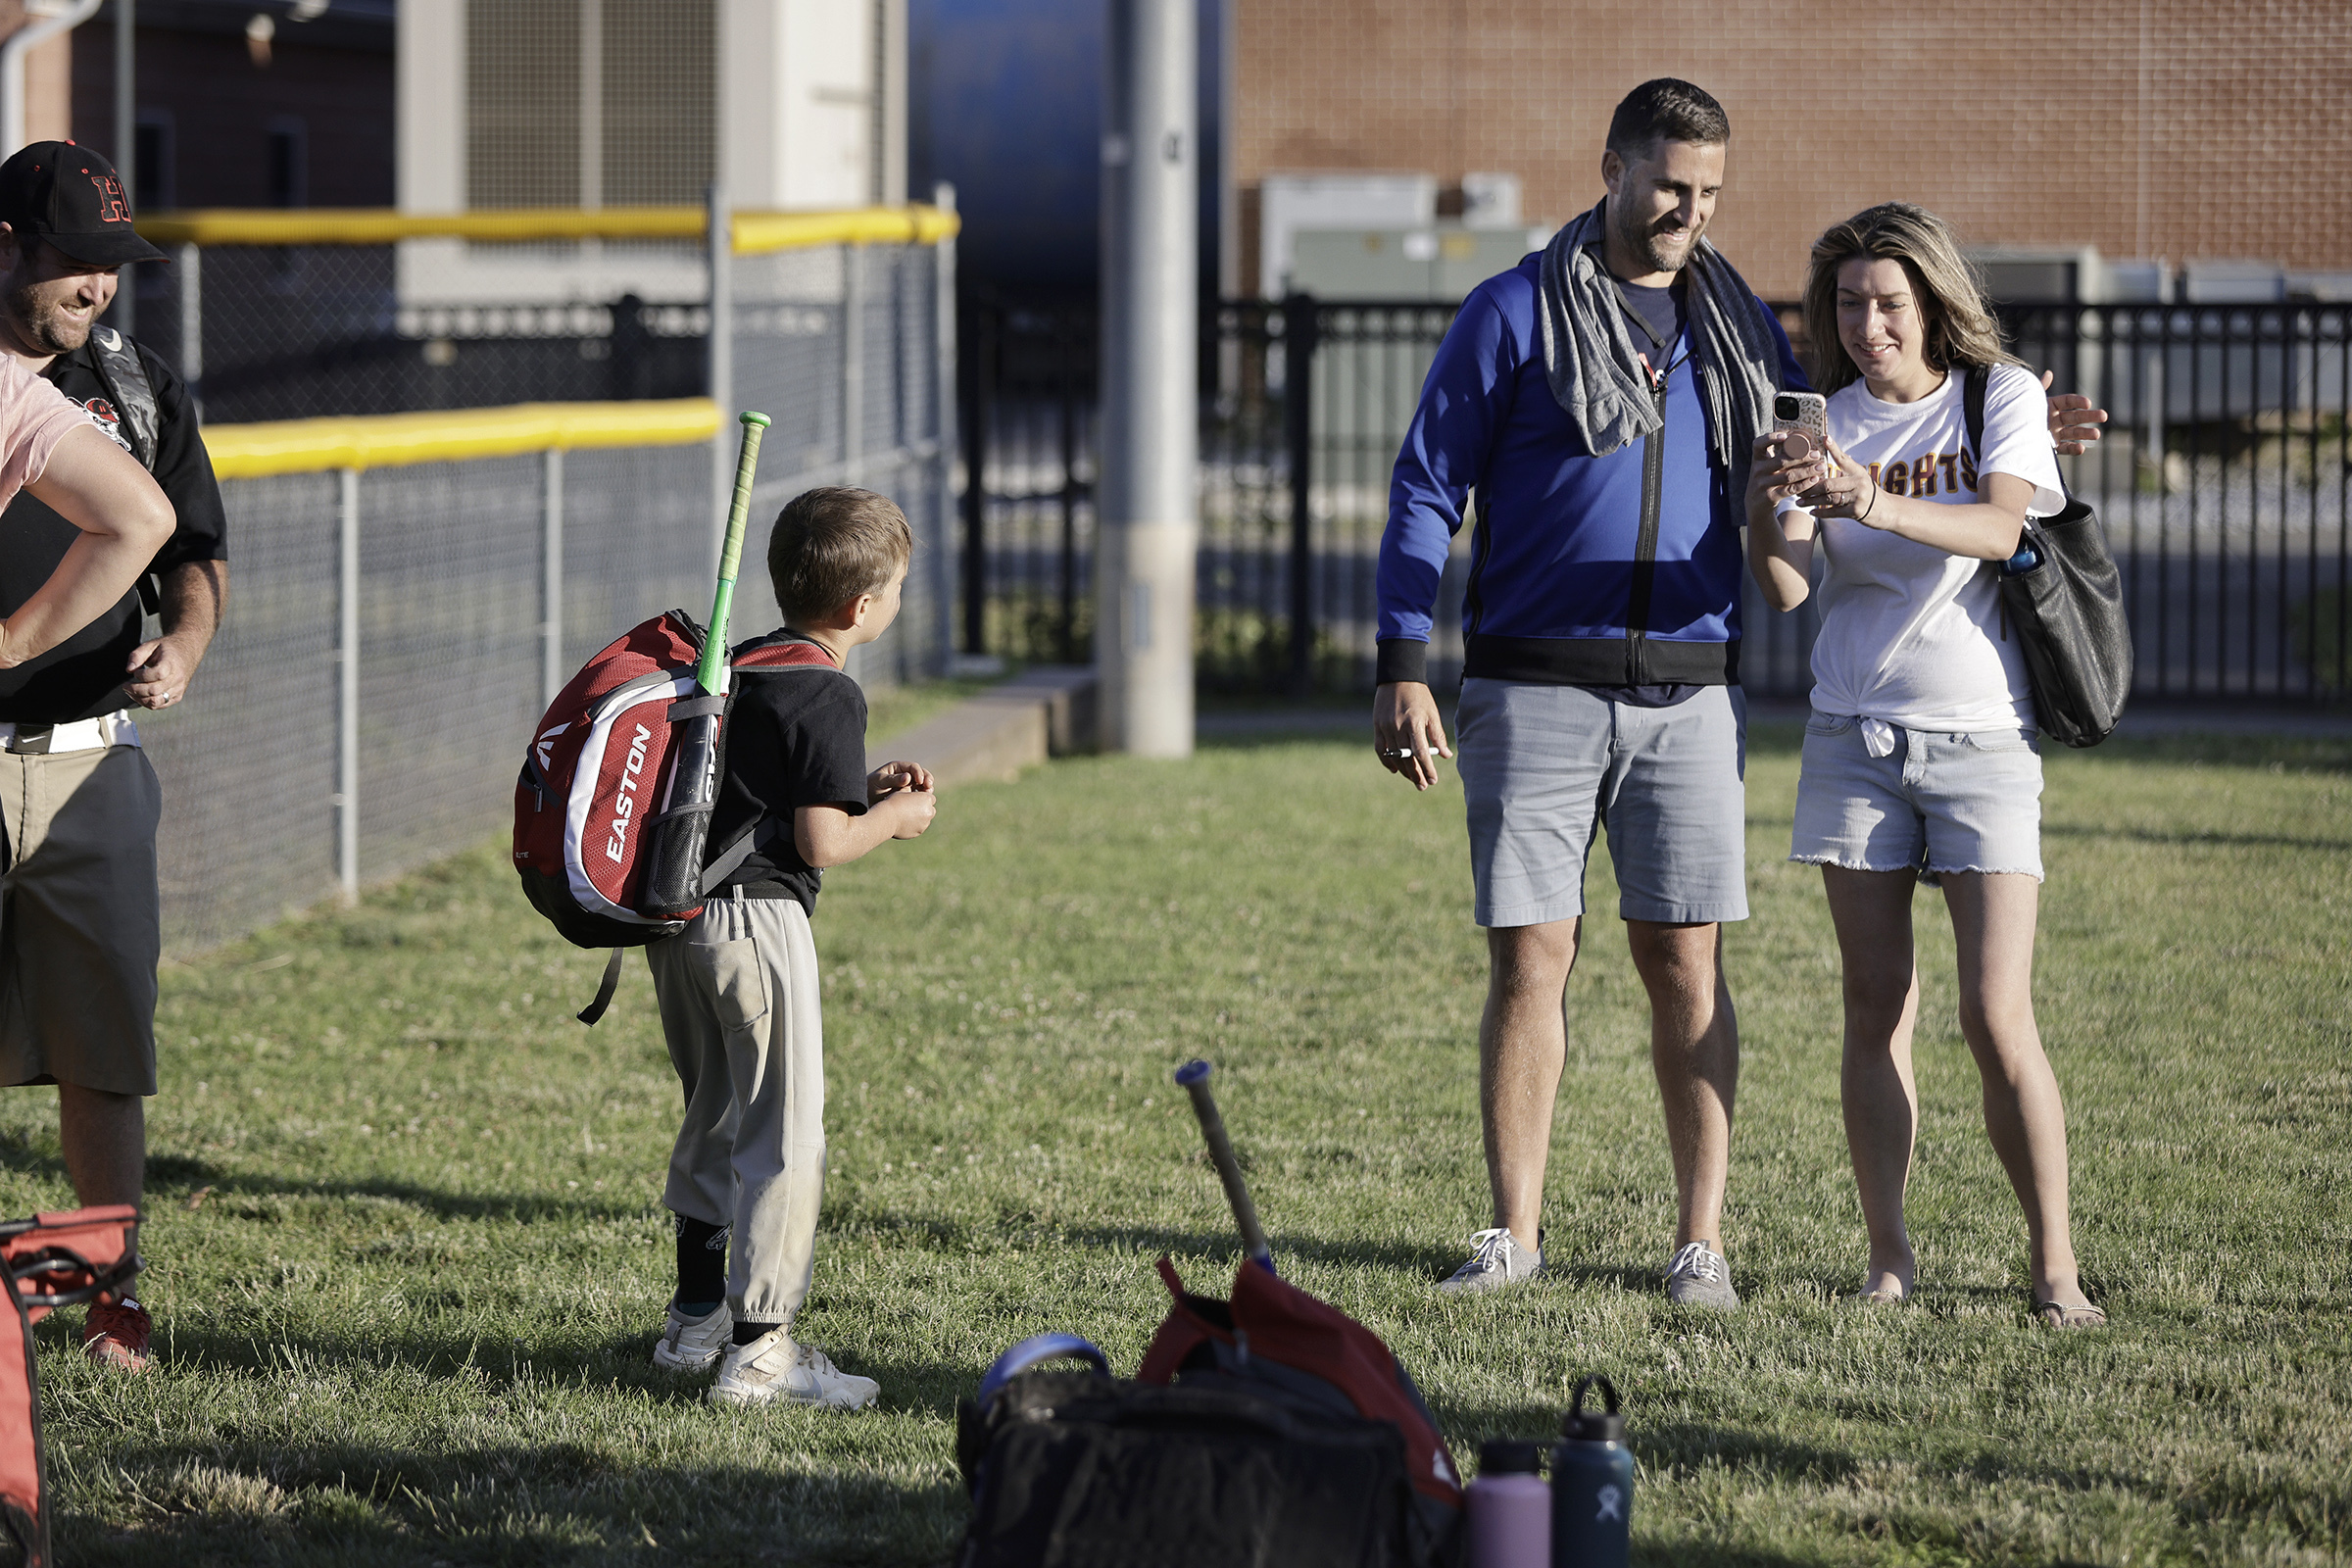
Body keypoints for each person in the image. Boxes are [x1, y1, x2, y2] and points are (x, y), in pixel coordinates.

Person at [1372, 80, 2107, 1305]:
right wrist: (1404, 659)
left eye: (1710, 193)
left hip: (1693, 694)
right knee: (1530, 960)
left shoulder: (1743, 333)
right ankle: (1513, 1231)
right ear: (1610, 166)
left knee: (1687, 964)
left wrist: (2014, 437)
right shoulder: (1512, 312)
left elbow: (1844, 461)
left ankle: (1699, 1243)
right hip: (1530, 680)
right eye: (1669, 185)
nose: (1688, 213)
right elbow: (1424, 485)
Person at [1744, 203, 2102, 1327]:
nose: (1867, 325)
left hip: (1982, 736)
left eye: (1889, 302)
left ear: (1932, 301)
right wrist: (1770, 502)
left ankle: (2056, 1270)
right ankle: (1888, 1261)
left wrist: (1873, 497)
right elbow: (1790, 589)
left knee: (1996, 1016)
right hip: (1854, 737)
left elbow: (2005, 532)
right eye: (1847, 303)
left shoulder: (1999, 399)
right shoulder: (1826, 421)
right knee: (1872, 1005)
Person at [646, 486, 938, 1406]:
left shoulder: (738, 663)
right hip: (761, 929)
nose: (896, 601)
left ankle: (694, 1326)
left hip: (680, 927)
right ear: (863, 607)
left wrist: (862, 783)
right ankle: (763, 1352)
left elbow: (770, 790)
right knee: (784, 1135)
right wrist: (894, 817)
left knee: (715, 1117)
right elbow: (822, 844)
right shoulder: (829, 686)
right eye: (896, 589)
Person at [0, 142, 188, 1368]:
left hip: (82, 755)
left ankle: (103, 1288)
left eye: (112, 267)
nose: (97, 290)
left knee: (102, 1045)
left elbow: (168, 529)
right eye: (75, 261)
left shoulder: (108, 380)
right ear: (6, 246)